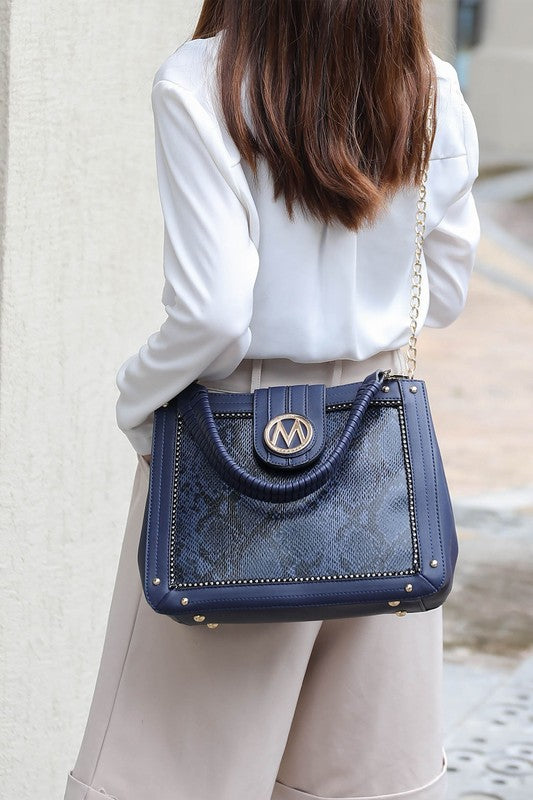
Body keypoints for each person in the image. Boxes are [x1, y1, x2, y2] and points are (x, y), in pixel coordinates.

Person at [63, 1, 480, 799]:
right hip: (376, 446)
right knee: (350, 778)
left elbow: (212, 314)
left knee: (172, 777)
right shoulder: (428, 87)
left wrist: (135, 401)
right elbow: (447, 291)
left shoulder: (203, 80)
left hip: (232, 446)